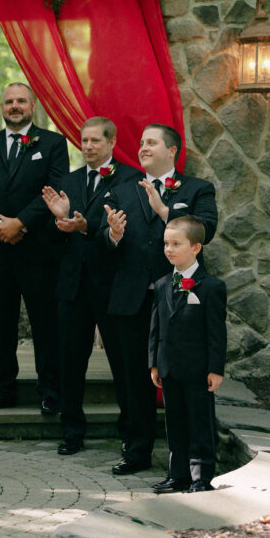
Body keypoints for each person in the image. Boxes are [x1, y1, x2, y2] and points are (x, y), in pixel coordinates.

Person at [99, 123, 218, 476]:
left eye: (151, 142)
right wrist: (113, 235)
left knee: (187, 378)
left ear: (172, 150)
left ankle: (193, 459)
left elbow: (206, 230)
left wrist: (167, 213)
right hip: (133, 300)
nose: (142, 147)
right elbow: (102, 240)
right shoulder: (120, 191)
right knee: (134, 380)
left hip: (182, 301)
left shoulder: (198, 189)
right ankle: (136, 453)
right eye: (141, 142)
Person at [0, 83, 69, 415]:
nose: (15, 106)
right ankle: (0, 391)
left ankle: (52, 391)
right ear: (1, 107)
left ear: (33, 105)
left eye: (21, 100)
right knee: (0, 325)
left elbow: (56, 187)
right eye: (9, 101)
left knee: (46, 324)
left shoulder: (53, 143)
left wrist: (20, 222)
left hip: (38, 249)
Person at [41, 117, 141, 455]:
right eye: (83, 140)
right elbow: (53, 244)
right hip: (72, 287)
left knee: (123, 362)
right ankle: (72, 430)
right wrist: (60, 222)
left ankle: (130, 431)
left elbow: (128, 233)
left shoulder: (131, 179)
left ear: (111, 143)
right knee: (70, 361)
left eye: (95, 141)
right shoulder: (67, 181)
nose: (87, 146)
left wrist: (86, 228)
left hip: (113, 286)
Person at [149, 216, 226, 493]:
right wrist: (154, 364)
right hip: (169, 367)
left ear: (196, 247)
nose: (169, 249)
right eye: (166, 243)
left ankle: (201, 477)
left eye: (176, 244)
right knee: (175, 423)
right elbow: (156, 328)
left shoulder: (211, 286)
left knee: (199, 422)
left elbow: (216, 333)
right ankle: (177, 474)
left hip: (197, 368)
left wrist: (215, 369)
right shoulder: (161, 285)